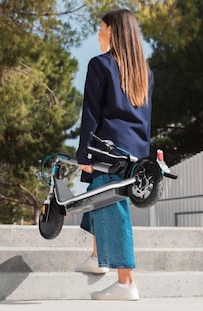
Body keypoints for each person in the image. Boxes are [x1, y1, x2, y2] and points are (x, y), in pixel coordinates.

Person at [75, 9, 153, 301]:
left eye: (102, 28)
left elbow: (91, 115)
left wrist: (84, 153)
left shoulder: (101, 65)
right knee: (99, 195)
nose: (98, 34)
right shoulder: (145, 73)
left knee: (111, 205)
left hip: (106, 149)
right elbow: (145, 120)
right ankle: (97, 257)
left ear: (114, 32)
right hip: (134, 154)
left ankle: (127, 282)